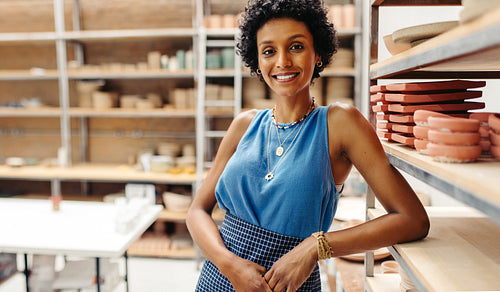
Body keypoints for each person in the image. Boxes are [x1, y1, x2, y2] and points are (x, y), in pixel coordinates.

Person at [186, 0, 430, 291]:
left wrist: (316, 246)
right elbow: (197, 211)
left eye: (296, 46)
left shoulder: (340, 123)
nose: (282, 61)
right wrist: (230, 265)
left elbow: (412, 219)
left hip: (290, 285)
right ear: (257, 60)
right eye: (268, 51)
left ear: (318, 54)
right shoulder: (244, 124)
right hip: (218, 279)